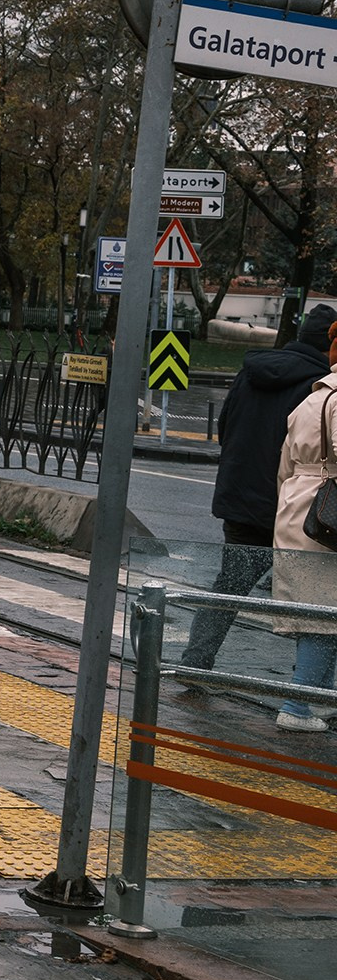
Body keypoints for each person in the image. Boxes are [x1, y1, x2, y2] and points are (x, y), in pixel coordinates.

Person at [182, 303, 337, 670]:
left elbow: (225, 427)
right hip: (300, 510)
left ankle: (195, 660)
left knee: (229, 586)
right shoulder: (321, 391)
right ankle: (305, 689)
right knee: (314, 597)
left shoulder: (249, 373)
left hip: (240, 498)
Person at [271, 324, 337, 731]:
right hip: (329, 511)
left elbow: (284, 467)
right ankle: (297, 708)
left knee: (318, 611)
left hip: (300, 508)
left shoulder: (311, 400)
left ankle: (320, 698)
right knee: (324, 616)